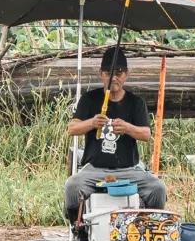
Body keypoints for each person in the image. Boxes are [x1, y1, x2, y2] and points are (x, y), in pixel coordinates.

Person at [64, 45, 167, 227]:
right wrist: (92, 123)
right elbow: (72, 128)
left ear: (126, 75)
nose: (114, 78)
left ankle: (149, 227)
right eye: (109, 72)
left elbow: (146, 134)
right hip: (95, 169)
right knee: (72, 186)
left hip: (128, 169)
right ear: (101, 74)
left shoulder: (136, 102)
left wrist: (127, 128)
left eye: (119, 73)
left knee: (157, 189)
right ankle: (78, 228)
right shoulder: (89, 99)